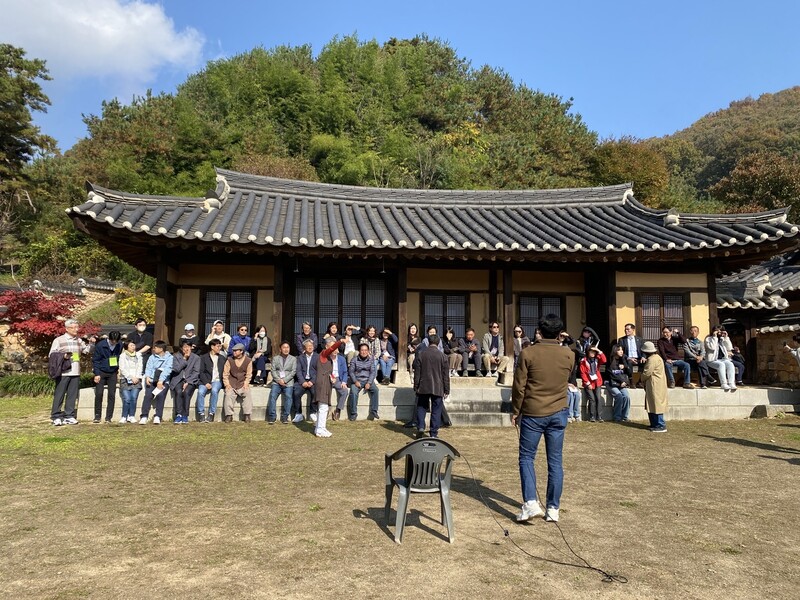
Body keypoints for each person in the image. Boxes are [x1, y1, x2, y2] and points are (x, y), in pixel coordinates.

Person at [512, 314, 574, 523]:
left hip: (533, 412)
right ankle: (553, 507)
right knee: (555, 461)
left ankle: (530, 503)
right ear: (559, 333)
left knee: (527, 457)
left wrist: (515, 410)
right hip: (558, 411)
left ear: (539, 331)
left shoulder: (528, 353)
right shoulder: (568, 355)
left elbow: (519, 386)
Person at [49, 319, 95, 426]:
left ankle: (69, 415)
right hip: (63, 372)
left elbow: (87, 351)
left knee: (72, 395)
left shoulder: (79, 340)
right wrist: (63, 356)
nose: (76, 329)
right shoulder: (59, 340)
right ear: (67, 329)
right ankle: (56, 415)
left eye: (77, 327)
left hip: (75, 371)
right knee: (59, 394)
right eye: (73, 327)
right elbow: (51, 355)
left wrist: (92, 344)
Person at [413, 334, 450, 438]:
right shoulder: (443, 356)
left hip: (423, 385)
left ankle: (420, 427)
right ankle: (433, 433)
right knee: (436, 410)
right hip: (438, 386)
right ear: (438, 343)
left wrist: (416, 386)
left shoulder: (421, 354)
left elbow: (417, 373)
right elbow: (445, 375)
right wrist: (447, 389)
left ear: (428, 342)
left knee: (421, 407)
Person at [312, 338, 343, 438]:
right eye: (332, 346)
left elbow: (329, 372)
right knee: (323, 407)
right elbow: (331, 349)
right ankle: (320, 429)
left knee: (323, 407)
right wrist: (340, 341)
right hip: (322, 382)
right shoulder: (323, 354)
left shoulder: (328, 358)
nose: (334, 349)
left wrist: (333, 378)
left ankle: (320, 427)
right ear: (326, 346)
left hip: (327, 381)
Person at [139, 341, 173, 425]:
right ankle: (144, 416)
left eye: (156, 347)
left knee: (161, 395)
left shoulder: (170, 358)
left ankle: (158, 416)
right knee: (148, 395)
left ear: (161, 349)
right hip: (152, 379)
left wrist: (161, 381)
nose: (154, 349)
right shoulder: (152, 357)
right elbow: (148, 367)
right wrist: (147, 377)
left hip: (164, 381)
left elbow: (167, 370)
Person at [92, 330, 122, 423]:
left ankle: (108, 417)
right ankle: (97, 415)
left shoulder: (119, 345)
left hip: (112, 372)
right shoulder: (101, 345)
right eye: (113, 340)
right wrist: (97, 373)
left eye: (116, 341)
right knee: (99, 393)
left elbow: (118, 356)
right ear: (109, 339)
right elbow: (96, 360)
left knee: (111, 394)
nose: (114, 342)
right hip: (101, 371)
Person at [170, 340, 201, 423]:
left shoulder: (196, 358)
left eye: (188, 347)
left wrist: (188, 382)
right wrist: (184, 359)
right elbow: (176, 369)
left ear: (191, 347)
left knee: (186, 392)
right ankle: (178, 414)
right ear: (181, 348)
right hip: (178, 379)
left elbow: (196, 372)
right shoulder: (176, 356)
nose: (187, 349)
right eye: (184, 347)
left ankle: (185, 415)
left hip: (191, 380)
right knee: (179, 392)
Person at [640, 341, 668, 433]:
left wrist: (641, 379)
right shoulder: (657, 357)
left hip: (655, 384)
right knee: (652, 403)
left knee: (656, 404)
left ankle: (660, 425)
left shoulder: (652, 359)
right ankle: (654, 424)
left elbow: (647, 372)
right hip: (656, 383)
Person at [348, 342, 380, 421]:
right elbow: (351, 372)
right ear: (359, 351)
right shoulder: (354, 360)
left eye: (366, 350)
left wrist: (369, 382)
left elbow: (373, 372)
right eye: (362, 350)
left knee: (375, 390)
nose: (364, 352)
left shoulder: (371, 360)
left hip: (367, 380)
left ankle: (374, 411)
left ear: (368, 351)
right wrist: (355, 381)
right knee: (354, 392)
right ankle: (353, 413)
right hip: (357, 380)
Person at [268, 341, 297, 424]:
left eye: (287, 347)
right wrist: (278, 380)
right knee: (272, 396)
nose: (286, 349)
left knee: (288, 396)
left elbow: (293, 371)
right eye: (284, 347)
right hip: (277, 382)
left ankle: (285, 416)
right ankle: (272, 416)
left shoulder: (293, 359)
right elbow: (273, 370)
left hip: (288, 381)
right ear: (280, 349)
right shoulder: (275, 358)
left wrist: (284, 380)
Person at [223, 343, 253, 422]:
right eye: (233, 351)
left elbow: (249, 374)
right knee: (228, 394)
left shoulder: (248, 361)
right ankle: (229, 415)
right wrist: (227, 384)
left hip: (242, 383)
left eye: (236, 351)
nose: (234, 352)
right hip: (232, 383)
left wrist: (246, 383)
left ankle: (247, 414)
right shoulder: (229, 360)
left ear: (241, 351)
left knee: (247, 393)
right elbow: (225, 374)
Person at [197, 338, 224, 422]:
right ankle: (201, 413)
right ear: (212, 347)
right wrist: (206, 382)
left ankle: (211, 413)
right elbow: (201, 372)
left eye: (220, 346)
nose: (219, 348)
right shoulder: (204, 357)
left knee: (214, 391)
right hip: (205, 380)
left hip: (217, 380)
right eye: (218, 346)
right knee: (201, 392)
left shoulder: (222, 358)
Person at [704, 325, 736, 391]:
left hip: (723, 359)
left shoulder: (722, 339)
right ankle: (723, 383)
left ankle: (731, 383)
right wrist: (714, 337)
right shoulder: (708, 339)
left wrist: (726, 338)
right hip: (711, 360)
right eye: (717, 331)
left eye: (720, 331)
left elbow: (729, 347)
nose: (719, 332)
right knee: (721, 365)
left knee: (730, 364)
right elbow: (712, 348)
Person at [293, 339, 318, 423]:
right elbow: (298, 371)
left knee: (315, 392)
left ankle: (313, 412)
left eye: (311, 346)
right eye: (308, 346)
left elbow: (318, 371)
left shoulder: (317, 357)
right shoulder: (300, 358)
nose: (310, 347)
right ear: (304, 348)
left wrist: (312, 381)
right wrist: (303, 381)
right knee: (296, 392)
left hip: (313, 381)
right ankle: (298, 414)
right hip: (302, 380)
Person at [579, 346, 607, 422]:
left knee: (598, 398)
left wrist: (598, 350)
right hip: (588, 382)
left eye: (594, 352)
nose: (593, 353)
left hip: (597, 382)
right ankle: (592, 416)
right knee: (592, 399)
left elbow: (604, 360)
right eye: (591, 351)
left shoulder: (597, 359)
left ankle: (599, 416)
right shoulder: (583, 361)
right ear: (587, 352)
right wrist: (588, 384)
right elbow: (583, 373)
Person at [118, 339, 142, 424]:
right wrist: (130, 377)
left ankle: (131, 415)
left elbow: (140, 367)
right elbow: (122, 368)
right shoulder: (122, 356)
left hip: (136, 379)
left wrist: (137, 377)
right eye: (131, 345)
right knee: (127, 399)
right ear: (127, 346)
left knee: (134, 398)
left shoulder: (138, 355)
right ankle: (124, 416)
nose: (133, 347)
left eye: (134, 345)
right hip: (125, 379)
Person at [606, 345, 632, 422]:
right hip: (611, 383)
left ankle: (624, 416)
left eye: (622, 350)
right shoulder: (610, 360)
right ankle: (617, 417)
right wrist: (621, 381)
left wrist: (625, 365)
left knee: (626, 396)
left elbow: (629, 373)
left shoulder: (623, 360)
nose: (621, 351)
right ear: (615, 351)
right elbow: (611, 374)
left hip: (622, 384)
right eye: (619, 350)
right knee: (619, 396)